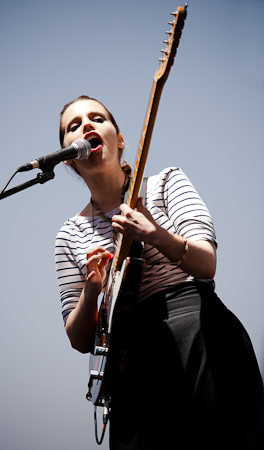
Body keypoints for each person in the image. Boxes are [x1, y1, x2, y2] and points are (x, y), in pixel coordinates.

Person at [55, 95, 264, 449]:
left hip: (197, 330)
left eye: (97, 118)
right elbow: (78, 340)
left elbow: (206, 264)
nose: (86, 126)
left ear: (119, 140)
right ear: (69, 160)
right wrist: (92, 291)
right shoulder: (69, 234)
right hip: (129, 363)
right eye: (73, 126)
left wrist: (155, 235)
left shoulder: (166, 182)